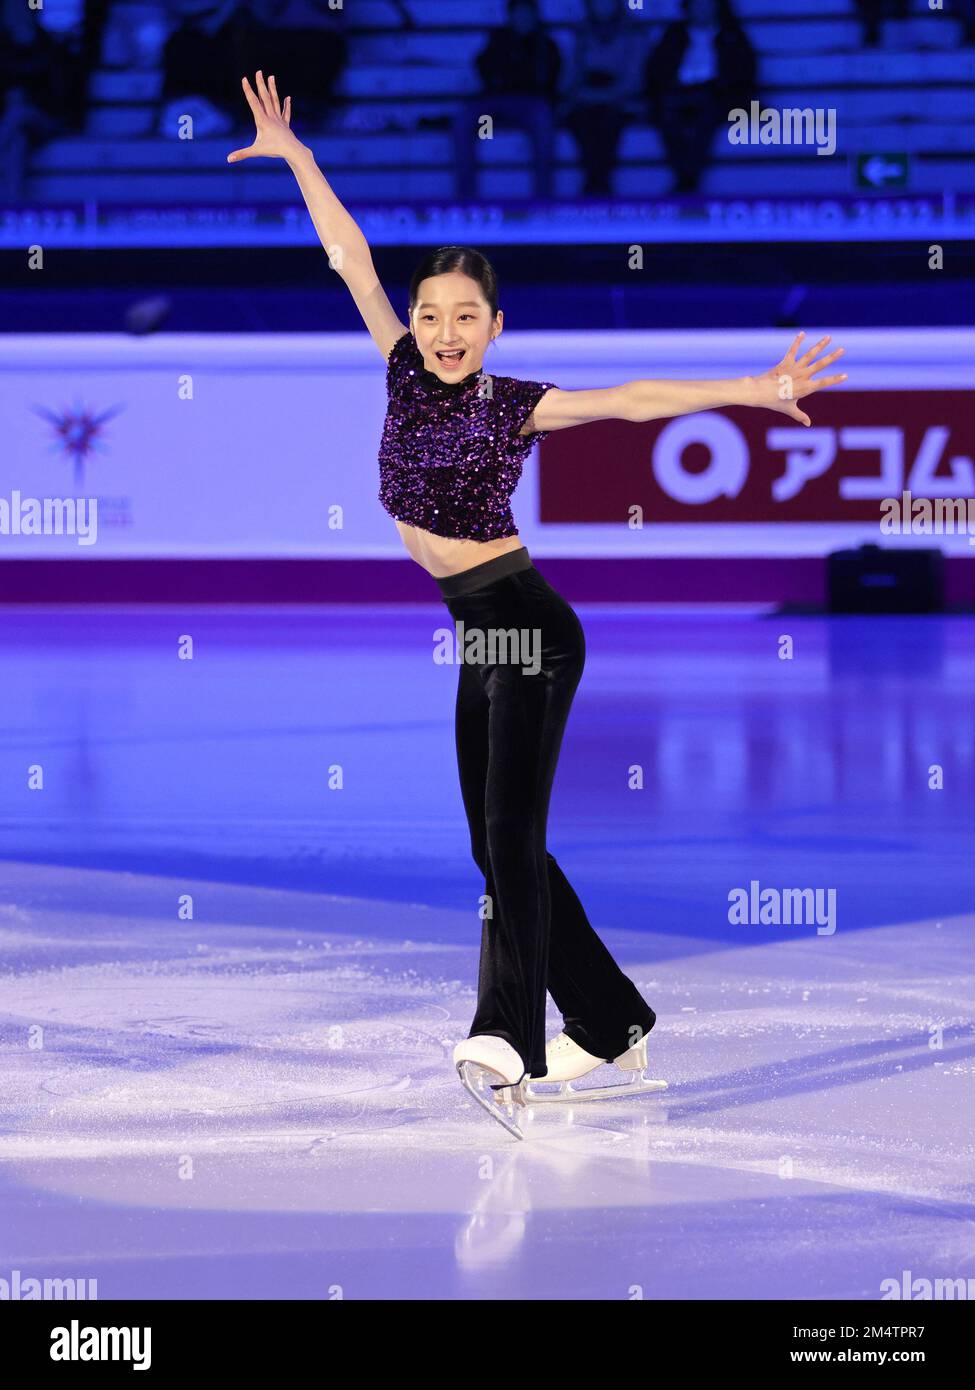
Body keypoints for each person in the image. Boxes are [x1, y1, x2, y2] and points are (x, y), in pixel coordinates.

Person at [227, 71, 849, 1137]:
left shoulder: (519, 405)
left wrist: (755, 390)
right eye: (431, 314)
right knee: (495, 841)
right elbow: (351, 259)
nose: (443, 330)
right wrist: (299, 158)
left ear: (497, 326)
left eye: (465, 316)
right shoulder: (402, 373)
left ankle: (506, 1035)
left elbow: (632, 402)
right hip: (481, 632)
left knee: (510, 836)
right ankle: (608, 1018)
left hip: (527, 625)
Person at [642, 0, 756, 195]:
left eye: (707, 3)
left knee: (706, 114)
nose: (702, 8)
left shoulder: (732, 35)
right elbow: (656, 70)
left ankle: (687, 180)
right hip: (678, 94)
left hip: (716, 95)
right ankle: (687, 178)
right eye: (697, 4)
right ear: (688, 7)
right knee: (667, 116)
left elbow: (745, 72)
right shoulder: (674, 34)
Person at [452, 0, 561, 200]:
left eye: (527, 13)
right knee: (465, 120)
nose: (523, 18)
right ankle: (466, 199)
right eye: (518, 13)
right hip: (493, 107)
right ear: (510, 16)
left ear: (536, 16)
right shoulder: (497, 40)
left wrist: (513, 76)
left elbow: (546, 83)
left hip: (530, 106)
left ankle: (543, 200)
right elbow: (484, 70)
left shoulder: (546, 45)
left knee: (544, 120)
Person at [561, 0, 644, 197]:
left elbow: (634, 80)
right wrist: (584, 95)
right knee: (583, 121)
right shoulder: (579, 33)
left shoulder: (635, 32)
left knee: (609, 121)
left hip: (622, 102)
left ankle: (600, 183)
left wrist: (602, 96)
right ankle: (594, 182)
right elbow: (569, 78)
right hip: (585, 102)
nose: (603, 6)